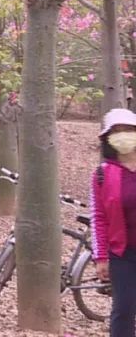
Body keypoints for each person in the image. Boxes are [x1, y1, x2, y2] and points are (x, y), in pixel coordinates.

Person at [91, 108, 136, 337]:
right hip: (123, 254)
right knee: (124, 310)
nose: (123, 135)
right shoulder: (102, 173)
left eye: (128, 129)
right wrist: (101, 258)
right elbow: (98, 217)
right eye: (116, 131)